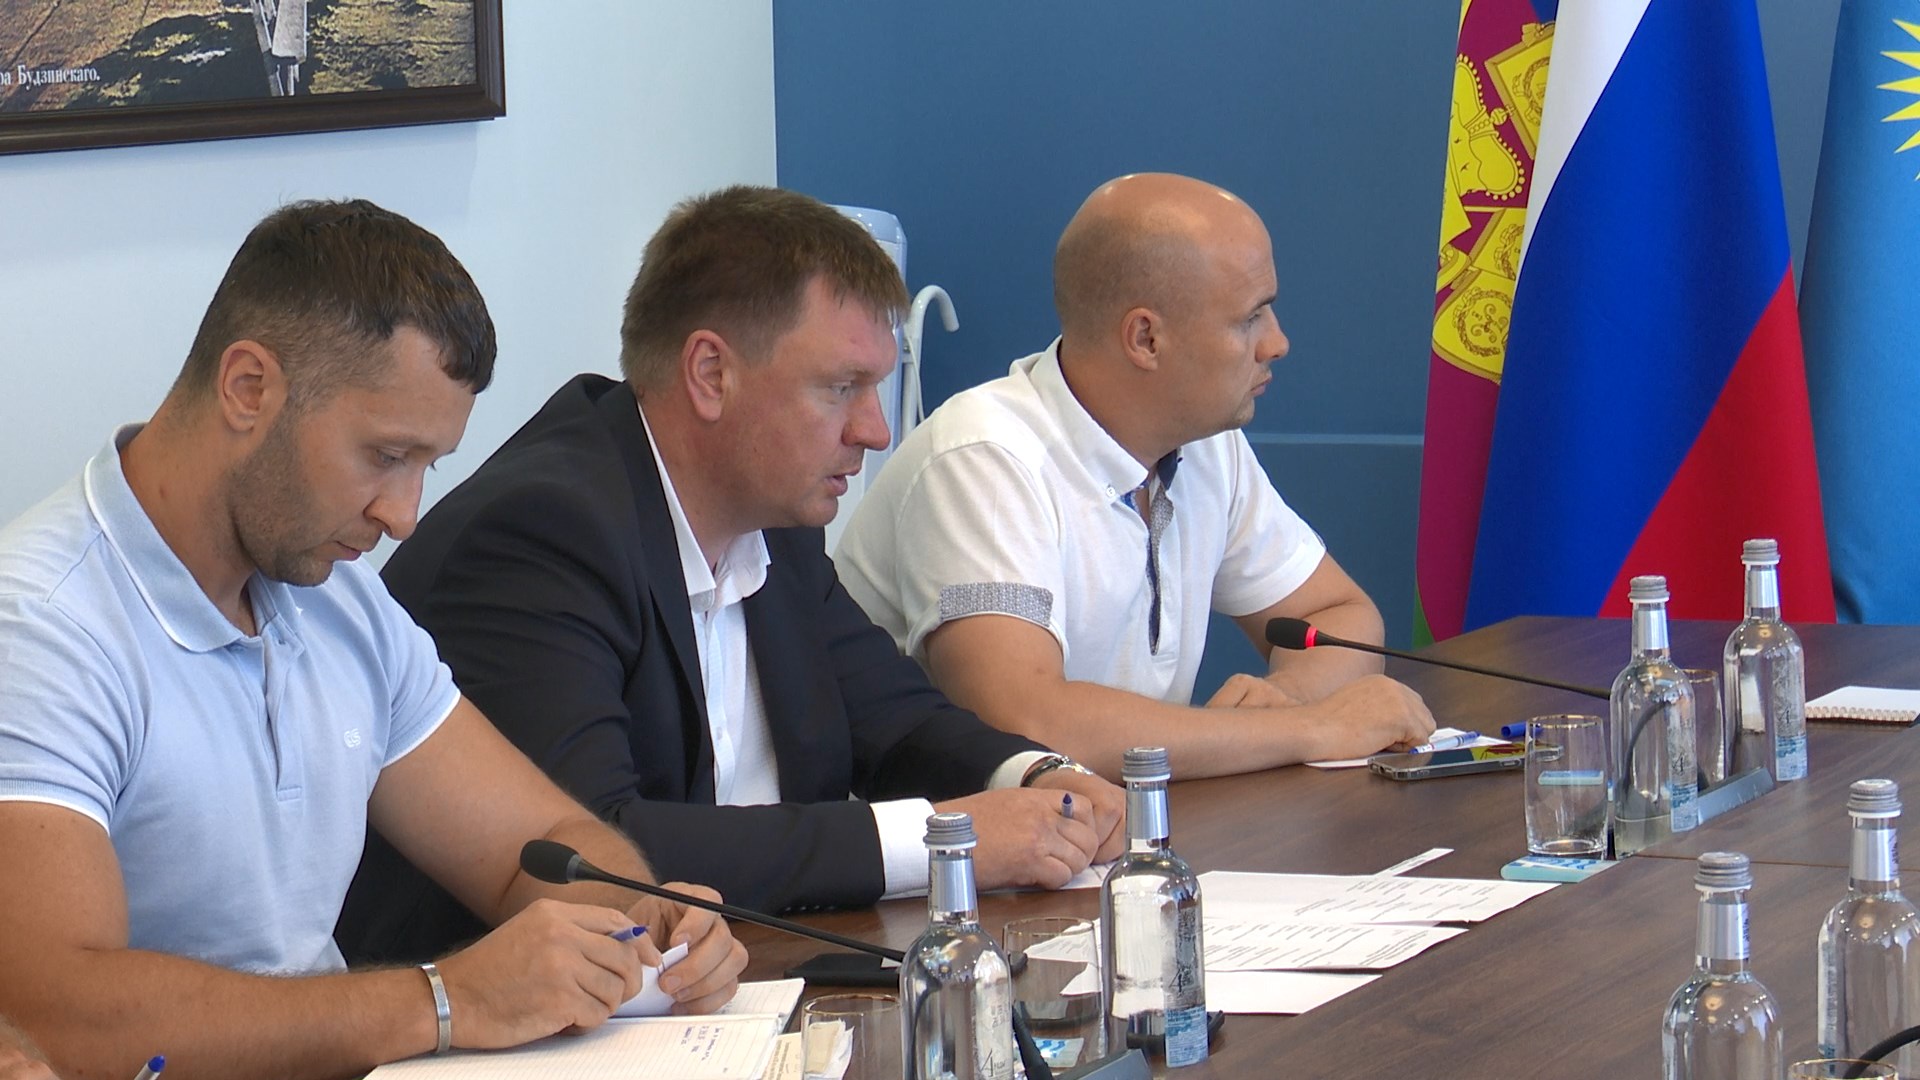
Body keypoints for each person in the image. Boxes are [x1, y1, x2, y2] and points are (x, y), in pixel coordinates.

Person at [0, 200, 745, 1080]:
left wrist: (642, 922)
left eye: (427, 465)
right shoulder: (41, 627)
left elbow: (539, 842)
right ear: (249, 388)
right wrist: (445, 1000)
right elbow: (54, 1014)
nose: (403, 515)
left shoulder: (339, 598)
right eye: (386, 456)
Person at [337, 186, 1125, 964]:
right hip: (513, 1006)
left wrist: (1041, 777)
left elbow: (898, 722)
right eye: (841, 387)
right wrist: (942, 839)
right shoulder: (542, 530)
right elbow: (597, 848)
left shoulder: (775, 518)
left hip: (742, 971)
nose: (875, 429)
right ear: (711, 374)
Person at [834, 173, 1437, 780]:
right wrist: (1313, 728)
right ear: (1146, 338)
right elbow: (1023, 724)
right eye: (1250, 318)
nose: (1277, 343)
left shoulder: (1207, 444)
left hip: (1114, 821)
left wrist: (1292, 698)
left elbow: (1339, 613)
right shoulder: (983, 457)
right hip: (949, 834)